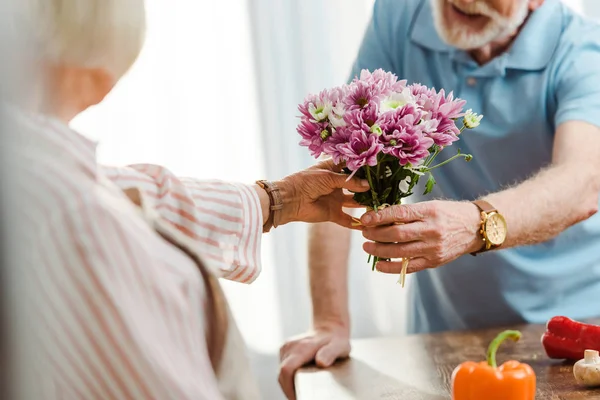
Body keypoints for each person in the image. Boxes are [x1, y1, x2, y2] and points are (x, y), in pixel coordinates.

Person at [3, 0, 370, 399]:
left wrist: (277, 199)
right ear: (97, 81)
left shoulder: (39, 177)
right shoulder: (73, 216)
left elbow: (135, 192)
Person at [279, 0, 600, 398]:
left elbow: (583, 180)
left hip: (572, 339)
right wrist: (329, 322)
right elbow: (343, 164)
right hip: (442, 336)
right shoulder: (400, 15)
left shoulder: (583, 49)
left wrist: (475, 224)